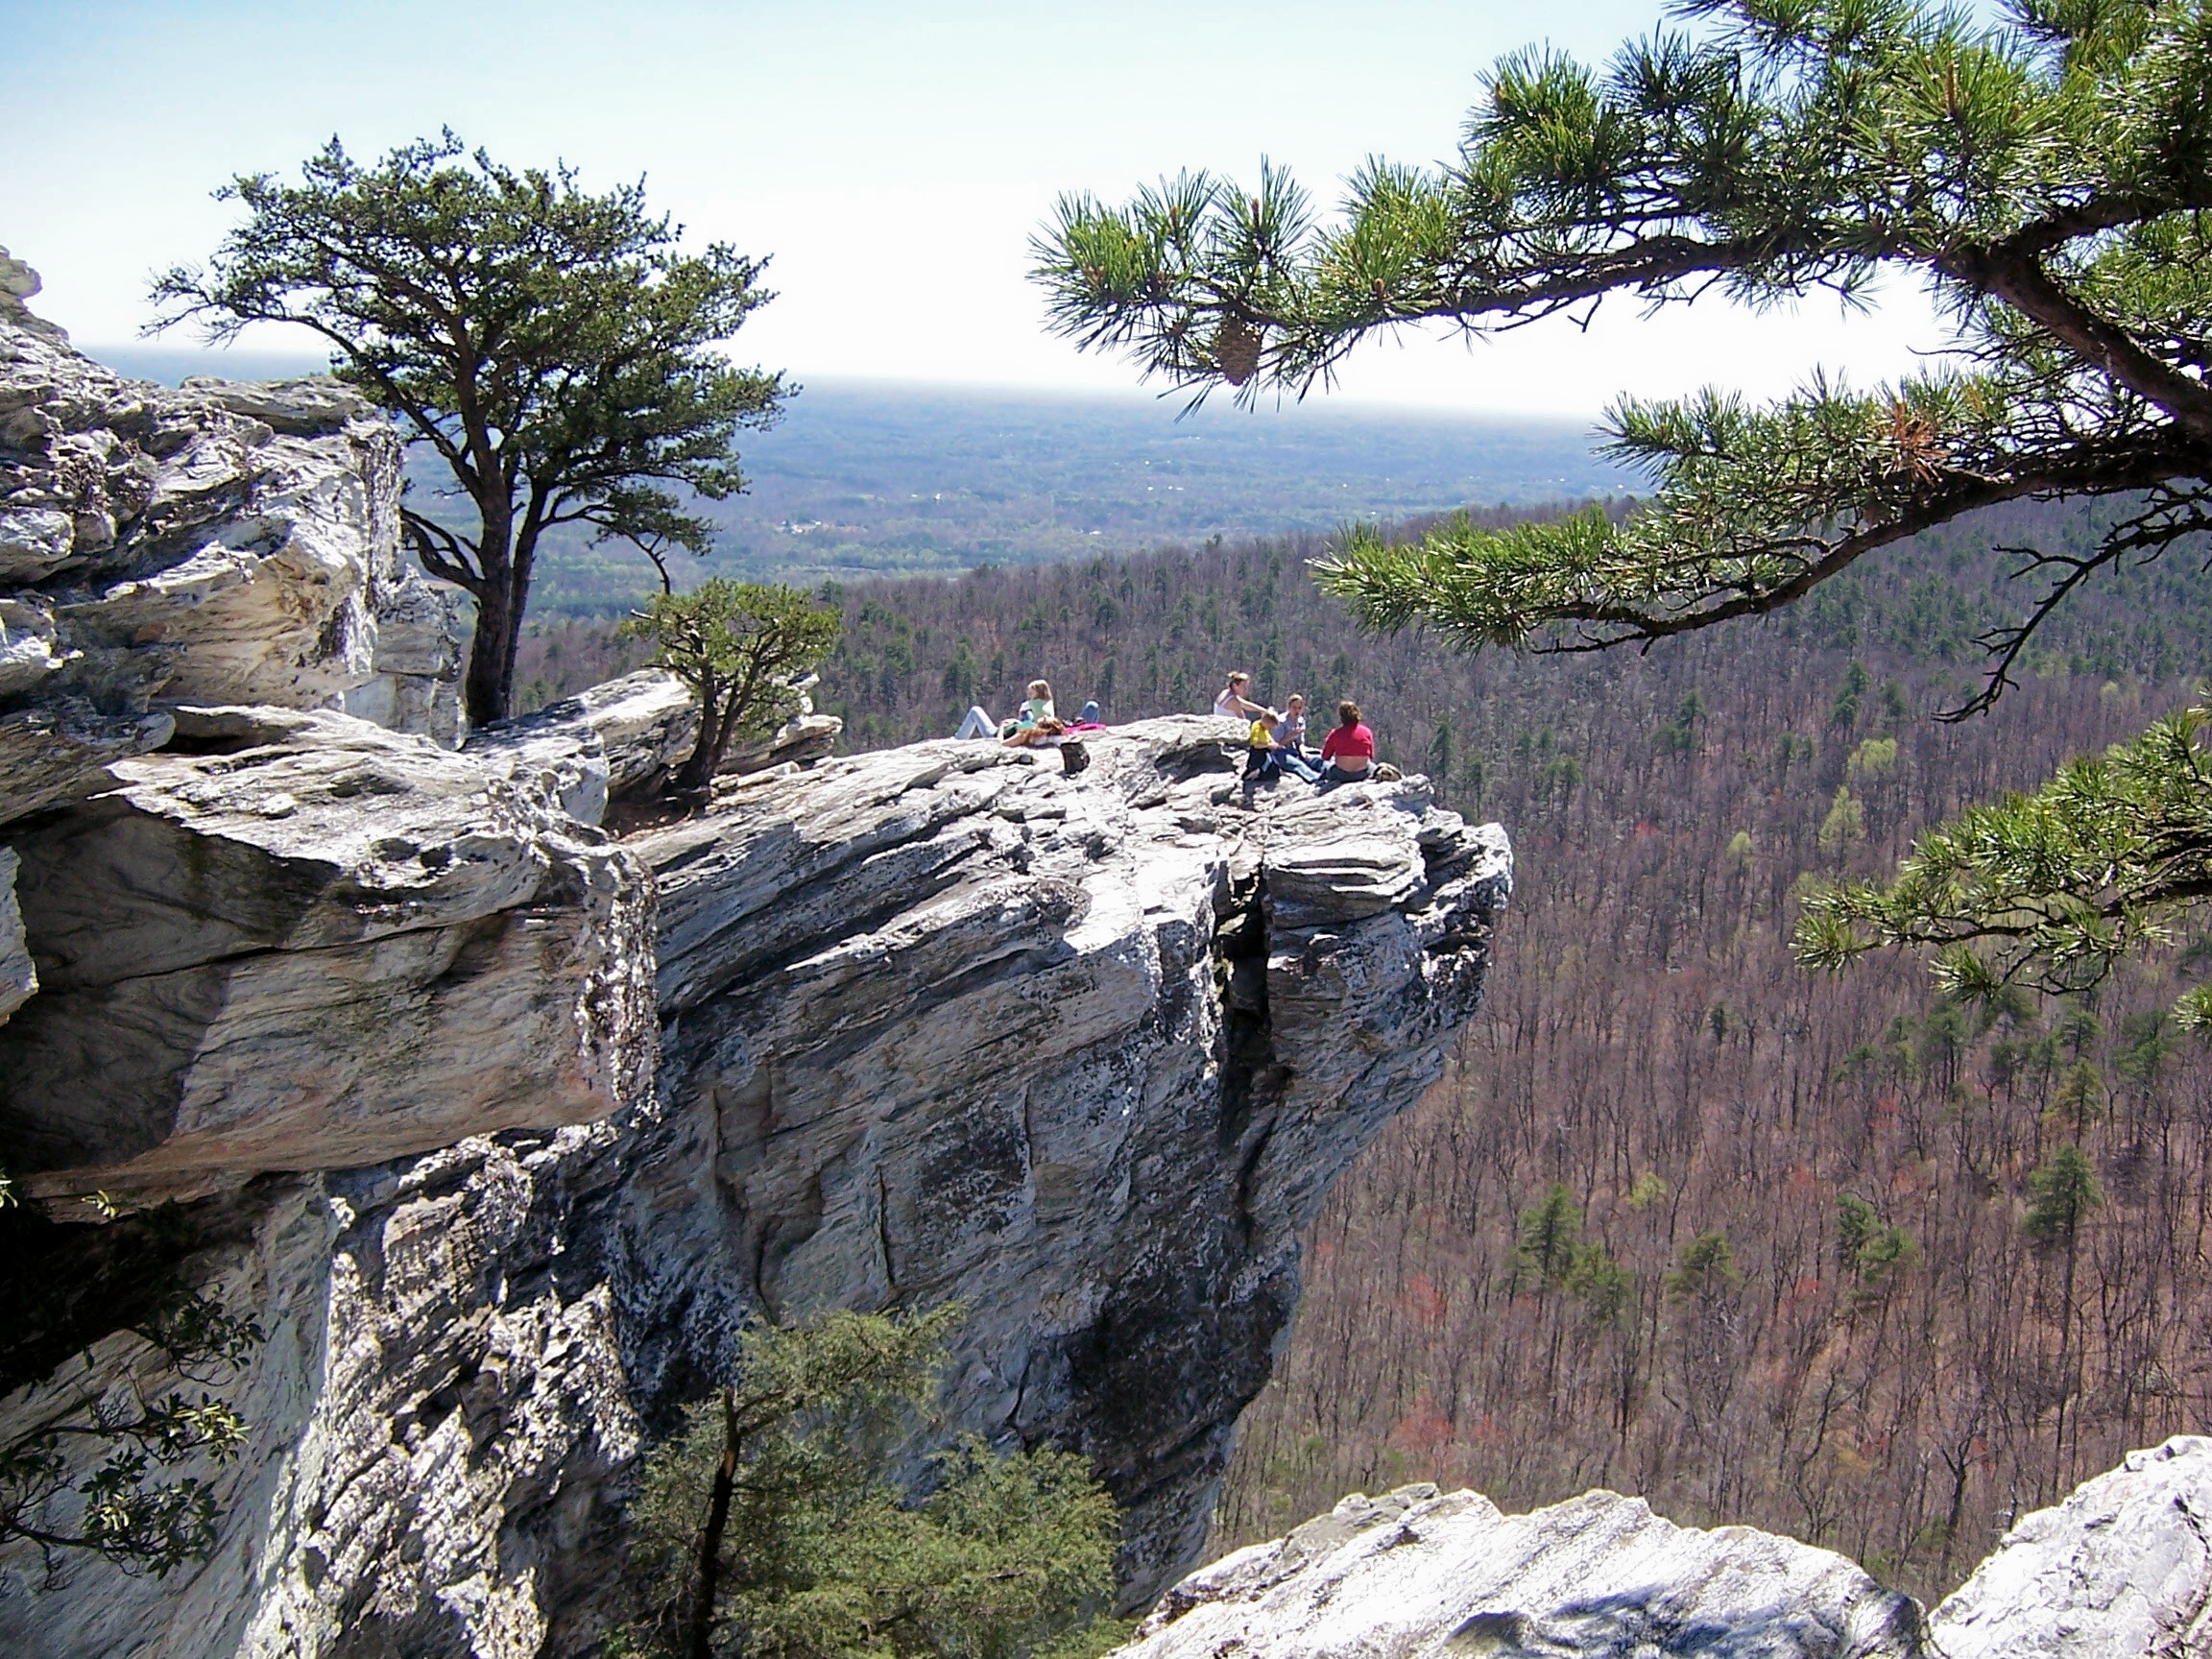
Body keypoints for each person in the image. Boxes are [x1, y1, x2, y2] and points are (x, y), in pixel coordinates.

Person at [1318, 699, 1377, 789]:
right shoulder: (1367, 732)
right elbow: (1371, 756)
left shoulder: (1335, 734)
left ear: (1341, 717)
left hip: (1341, 775)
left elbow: (1325, 757)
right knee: (1374, 767)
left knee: (1326, 766)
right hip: (1362, 774)